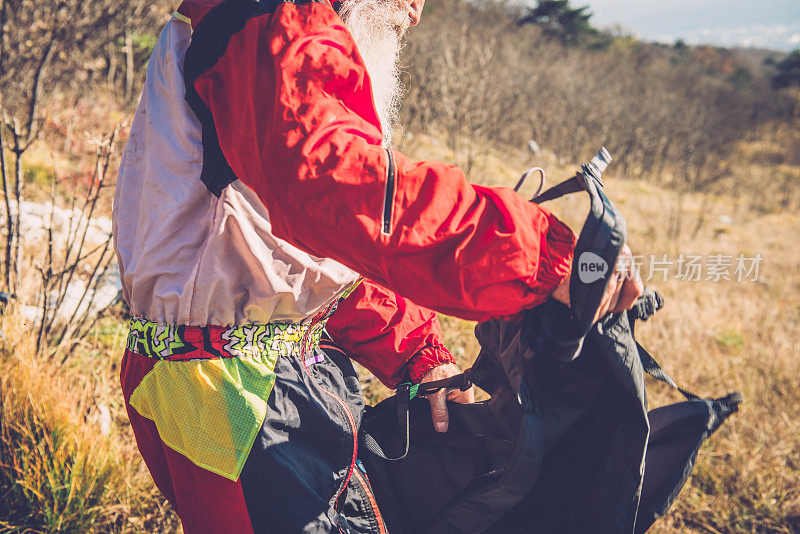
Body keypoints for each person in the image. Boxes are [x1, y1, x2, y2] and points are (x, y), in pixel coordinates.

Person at [111, 0, 643, 531]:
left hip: (260, 382)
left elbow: (286, 256)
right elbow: (331, 187)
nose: (414, 14)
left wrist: (416, 350)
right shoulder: (268, 17)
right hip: (227, 400)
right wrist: (541, 256)